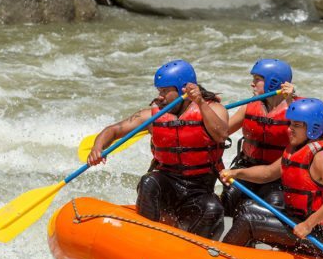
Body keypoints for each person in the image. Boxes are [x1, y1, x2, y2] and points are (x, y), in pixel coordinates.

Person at [87, 60, 229, 240]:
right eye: (158, 91)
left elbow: (221, 134)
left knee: (213, 209)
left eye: (164, 91)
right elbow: (114, 130)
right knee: (148, 182)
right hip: (167, 183)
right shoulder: (153, 115)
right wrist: (97, 147)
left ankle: (194, 256)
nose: (160, 97)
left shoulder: (213, 109)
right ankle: (144, 240)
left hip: (199, 188)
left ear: (183, 89)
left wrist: (200, 101)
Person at [220, 98, 323, 252]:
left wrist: (308, 224)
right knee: (246, 207)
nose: (289, 129)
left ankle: (222, 258)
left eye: (296, 126)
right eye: (290, 124)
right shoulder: (297, 149)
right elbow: (268, 173)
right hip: (299, 221)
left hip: (322, 234)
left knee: (249, 220)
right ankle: (243, 256)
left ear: (314, 128)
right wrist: (236, 173)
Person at [221, 59, 295, 217]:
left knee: (273, 204)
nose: (252, 84)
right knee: (229, 196)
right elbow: (220, 132)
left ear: (273, 82)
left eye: (257, 80)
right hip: (247, 169)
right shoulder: (250, 106)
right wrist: (204, 106)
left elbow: (269, 173)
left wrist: (291, 100)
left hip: (278, 179)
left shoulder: (295, 111)